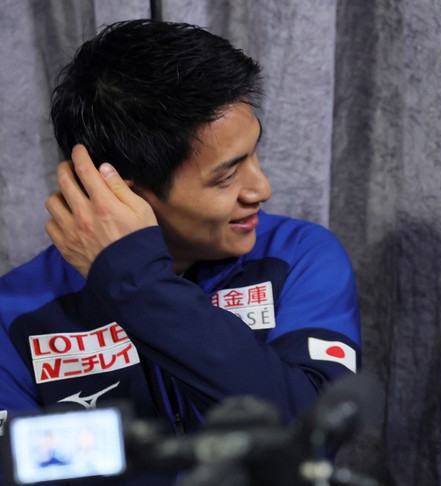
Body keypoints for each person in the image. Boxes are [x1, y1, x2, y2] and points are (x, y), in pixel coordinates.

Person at [0, 19, 360, 483]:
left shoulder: (299, 257)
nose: (261, 189)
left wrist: (135, 281)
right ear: (125, 194)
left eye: (254, 153)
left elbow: (305, 438)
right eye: (226, 176)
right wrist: (130, 272)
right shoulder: (14, 313)